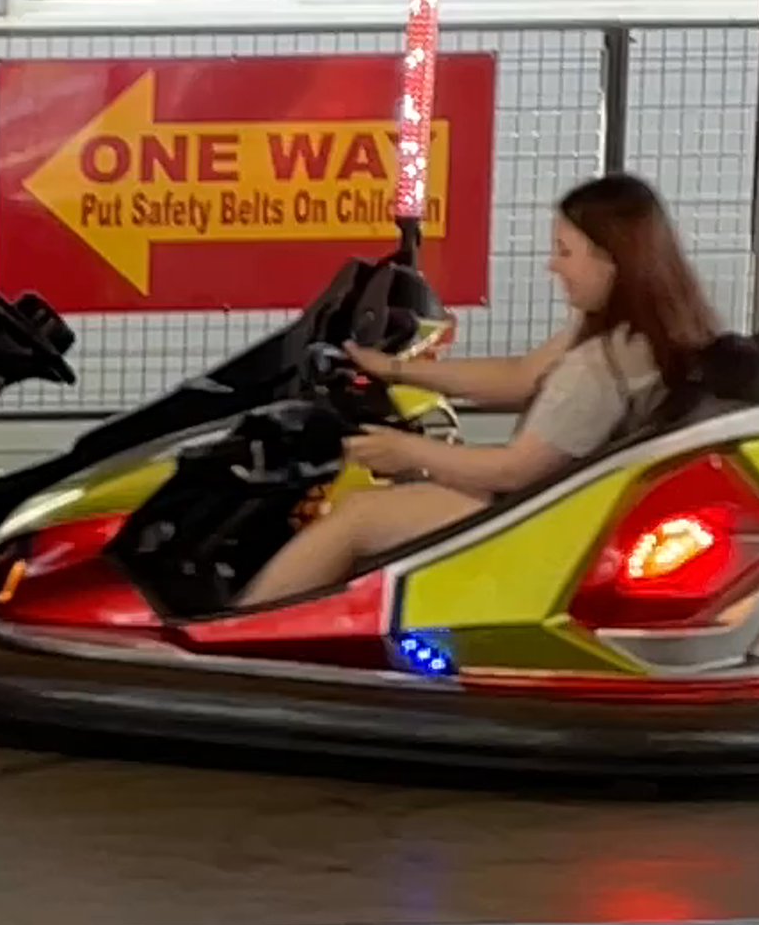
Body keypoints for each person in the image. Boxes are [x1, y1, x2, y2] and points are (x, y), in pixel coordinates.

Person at [235, 174, 727, 615]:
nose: (552, 265)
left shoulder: (601, 368)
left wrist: (406, 450)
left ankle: (234, 636)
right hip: (556, 506)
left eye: (564, 251)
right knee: (388, 491)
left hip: (539, 523)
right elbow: (519, 376)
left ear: (611, 260)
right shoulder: (634, 334)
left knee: (358, 514)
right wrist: (396, 370)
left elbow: (513, 470)